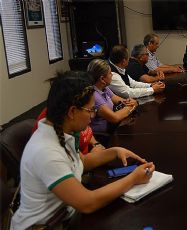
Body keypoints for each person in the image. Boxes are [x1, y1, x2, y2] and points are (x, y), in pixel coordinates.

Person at [11, 71, 155, 230]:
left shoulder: (60, 131)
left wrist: (114, 151)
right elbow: (87, 202)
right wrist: (133, 179)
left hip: (64, 217)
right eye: (90, 110)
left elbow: (82, 162)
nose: (92, 116)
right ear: (72, 111)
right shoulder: (46, 151)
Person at [87, 59, 138, 133]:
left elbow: (121, 100)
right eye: (110, 73)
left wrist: (131, 102)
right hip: (103, 137)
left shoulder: (104, 88)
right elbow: (115, 117)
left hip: (113, 128)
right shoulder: (94, 95)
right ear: (102, 79)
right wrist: (132, 106)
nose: (112, 75)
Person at [32, 107, 105, 155]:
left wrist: (96, 144)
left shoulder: (78, 116)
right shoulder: (57, 123)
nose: (91, 116)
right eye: (89, 111)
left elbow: (87, 130)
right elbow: (79, 163)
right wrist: (93, 155)